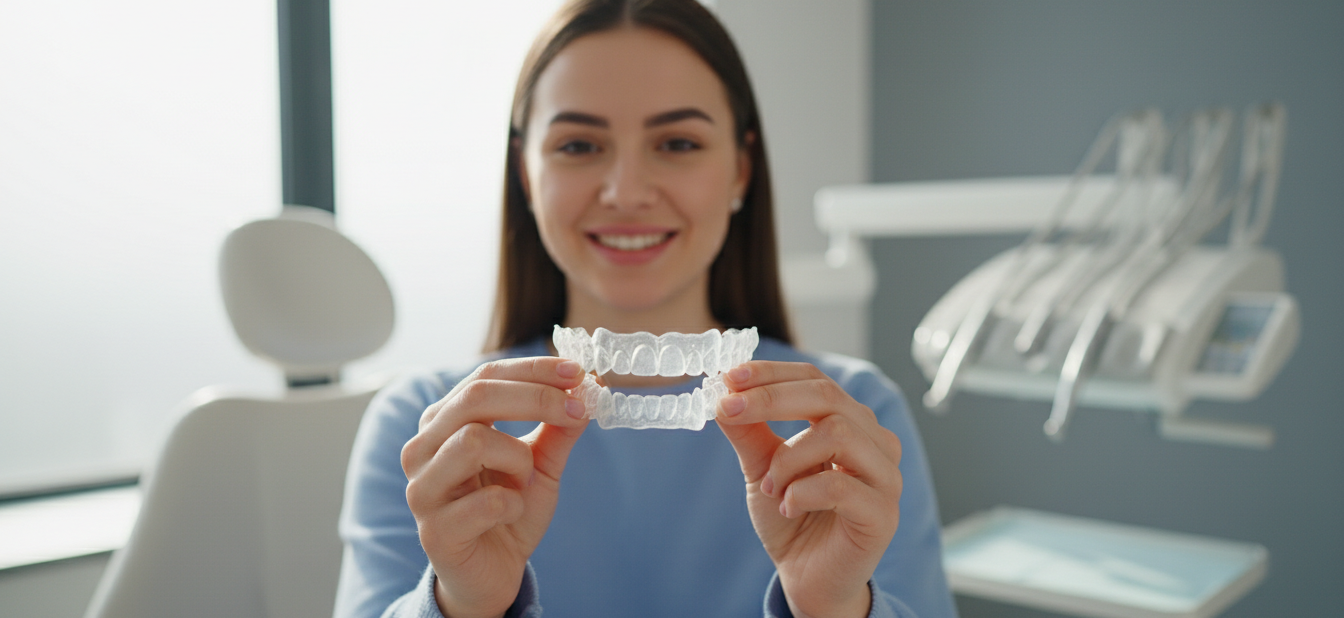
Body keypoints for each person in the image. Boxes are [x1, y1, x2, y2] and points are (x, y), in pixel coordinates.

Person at [333, 1, 957, 617]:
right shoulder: (427, 432)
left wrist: (835, 607)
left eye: (678, 142)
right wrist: (461, 606)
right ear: (526, 175)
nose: (626, 193)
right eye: (579, 145)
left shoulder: (854, 421)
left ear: (741, 170)